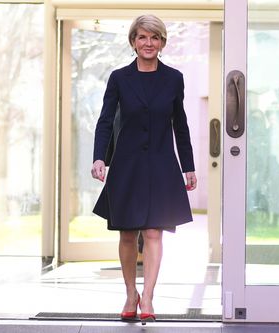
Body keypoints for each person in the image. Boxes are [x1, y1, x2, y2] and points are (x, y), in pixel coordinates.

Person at [91, 14, 197, 323]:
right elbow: (106, 121)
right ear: (133, 41)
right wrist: (100, 157)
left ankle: (148, 295)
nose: (148, 43)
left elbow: (181, 124)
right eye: (142, 37)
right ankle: (130, 293)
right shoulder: (119, 78)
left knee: (153, 232)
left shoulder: (174, 78)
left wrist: (187, 166)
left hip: (162, 165)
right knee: (127, 233)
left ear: (162, 42)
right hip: (127, 165)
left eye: (154, 37)